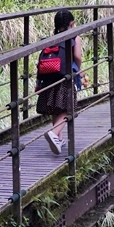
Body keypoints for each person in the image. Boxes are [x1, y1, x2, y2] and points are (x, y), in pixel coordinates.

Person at [35, 9, 85, 155]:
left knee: (55, 107)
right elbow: (77, 56)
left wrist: (38, 83)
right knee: (68, 108)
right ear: (72, 24)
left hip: (48, 78)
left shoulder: (51, 40)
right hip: (64, 77)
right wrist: (79, 69)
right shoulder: (74, 37)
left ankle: (58, 138)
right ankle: (53, 132)